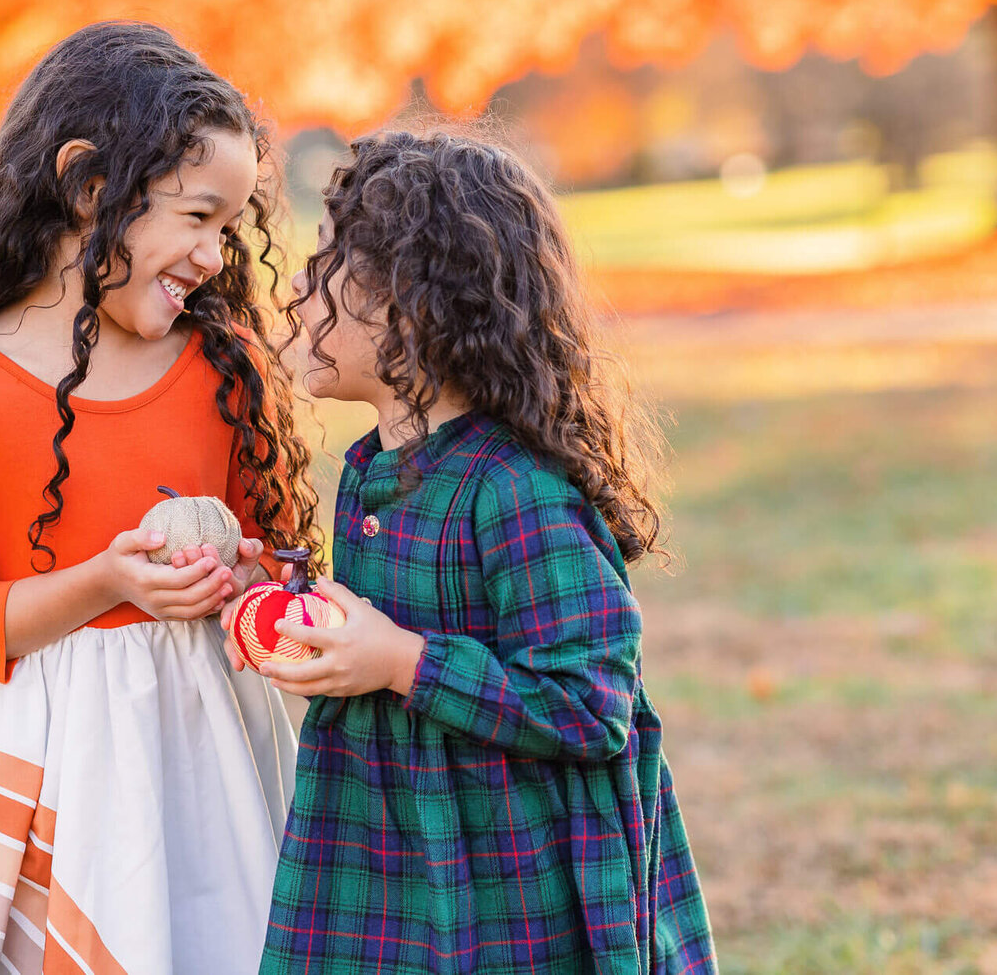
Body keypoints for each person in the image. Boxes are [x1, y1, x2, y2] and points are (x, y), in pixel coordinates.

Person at [0, 20, 320, 975]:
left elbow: (276, 556)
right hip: (33, 770)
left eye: (232, 226)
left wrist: (247, 586)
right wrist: (108, 582)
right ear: (90, 187)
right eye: (196, 218)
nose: (219, 256)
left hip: (199, 760)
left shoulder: (227, 373)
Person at [231, 127, 718, 974]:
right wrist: (300, 610)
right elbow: (382, 634)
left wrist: (405, 663)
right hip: (389, 861)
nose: (298, 294)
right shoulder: (373, 471)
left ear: (411, 307)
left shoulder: (516, 490)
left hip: (503, 886)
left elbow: (592, 701)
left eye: (325, 266)